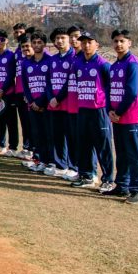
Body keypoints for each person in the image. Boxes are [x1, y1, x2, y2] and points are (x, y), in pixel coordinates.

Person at [71, 31, 114, 192]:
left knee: (103, 146)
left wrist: (109, 108)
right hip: (83, 109)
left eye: (90, 42)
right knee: (84, 144)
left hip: (99, 110)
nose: (86, 45)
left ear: (97, 44)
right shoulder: (77, 64)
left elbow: (110, 88)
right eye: (83, 42)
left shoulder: (103, 64)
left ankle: (108, 179)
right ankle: (87, 176)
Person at [107, 29, 138, 204]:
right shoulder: (115, 65)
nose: (118, 44)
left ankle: (137, 190)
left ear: (129, 43)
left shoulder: (133, 64)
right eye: (116, 41)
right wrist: (110, 110)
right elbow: (110, 90)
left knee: (134, 154)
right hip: (117, 117)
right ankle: (122, 185)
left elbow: (132, 92)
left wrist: (119, 112)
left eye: (122, 41)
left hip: (131, 117)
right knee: (121, 153)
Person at [46, 27, 77, 179]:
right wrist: (51, 98)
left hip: (68, 104)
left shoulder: (74, 57)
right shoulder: (53, 59)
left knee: (71, 137)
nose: (59, 41)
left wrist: (58, 98)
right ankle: (60, 165)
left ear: (69, 39)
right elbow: (48, 81)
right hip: (54, 105)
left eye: (63, 38)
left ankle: (73, 166)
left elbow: (69, 81)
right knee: (57, 135)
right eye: (57, 38)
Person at [21, 32, 53, 172]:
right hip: (32, 105)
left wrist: (40, 102)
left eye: (39, 42)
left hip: (46, 105)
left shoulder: (50, 61)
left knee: (48, 134)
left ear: (44, 44)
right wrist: (31, 102)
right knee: (37, 134)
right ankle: (39, 160)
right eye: (34, 42)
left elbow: (50, 85)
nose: (36, 45)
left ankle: (50, 161)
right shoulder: (26, 63)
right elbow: (25, 85)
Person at [62, 25, 84, 182]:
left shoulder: (86, 57)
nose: (74, 39)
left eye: (77, 36)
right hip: (71, 106)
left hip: (84, 107)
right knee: (73, 139)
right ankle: (76, 168)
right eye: (71, 37)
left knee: (84, 142)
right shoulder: (74, 57)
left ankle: (89, 172)